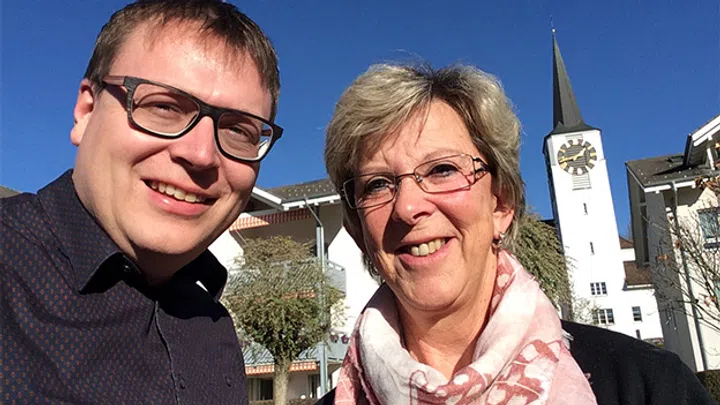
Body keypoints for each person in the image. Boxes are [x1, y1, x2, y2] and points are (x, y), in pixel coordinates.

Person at [317, 64, 714, 404]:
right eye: (377, 185)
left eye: (442, 170)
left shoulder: (649, 388)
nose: (407, 207)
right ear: (358, 231)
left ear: (501, 205)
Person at [0, 1, 281, 403]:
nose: (201, 154)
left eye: (239, 131)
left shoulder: (212, 323)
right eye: (164, 107)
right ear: (86, 111)